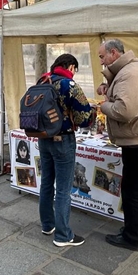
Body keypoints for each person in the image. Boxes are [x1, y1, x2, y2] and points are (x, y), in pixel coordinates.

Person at [96, 39, 138, 251]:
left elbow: (125, 111)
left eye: (102, 57)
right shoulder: (130, 69)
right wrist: (109, 88)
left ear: (114, 53)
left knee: (132, 190)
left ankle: (132, 237)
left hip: (135, 140)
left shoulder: (129, 73)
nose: (101, 61)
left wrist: (104, 105)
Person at [38, 54, 95, 248]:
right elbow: (84, 118)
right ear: (71, 66)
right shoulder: (68, 85)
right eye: (75, 69)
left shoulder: (43, 79)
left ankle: (48, 225)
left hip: (43, 139)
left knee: (46, 182)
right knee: (63, 189)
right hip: (63, 140)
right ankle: (63, 235)